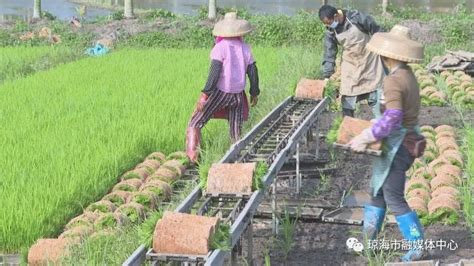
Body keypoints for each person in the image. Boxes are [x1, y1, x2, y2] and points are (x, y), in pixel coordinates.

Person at [348, 25, 425, 262]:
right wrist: (377, 123)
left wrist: (368, 135)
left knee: (393, 196)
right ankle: (369, 243)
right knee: (377, 193)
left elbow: (393, 117)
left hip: (397, 146)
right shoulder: (408, 75)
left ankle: (418, 245)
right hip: (402, 141)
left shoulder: (393, 81)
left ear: (388, 56)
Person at [186, 12, 260, 163]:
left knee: (195, 122)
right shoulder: (245, 48)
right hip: (238, 95)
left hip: (221, 92)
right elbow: (253, 71)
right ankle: (237, 161)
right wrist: (254, 92)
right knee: (235, 132)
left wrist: (204, 96)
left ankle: (192, 157)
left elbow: (214, 74)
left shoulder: (220, 48)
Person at [318, 5, 385, 117]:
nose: (329, 26)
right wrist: (327, 75)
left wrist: (384, 50)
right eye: (327, 24)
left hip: (369, 60)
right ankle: (348, 125)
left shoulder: (356, 17)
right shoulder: (331, 30)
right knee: (347, 97)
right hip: (351, 63)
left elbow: (377, 31)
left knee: (375, 94)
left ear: (336, 16)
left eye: (330, 22)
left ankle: (381, 125)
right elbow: (329, 52)